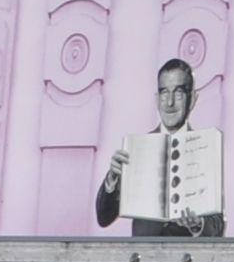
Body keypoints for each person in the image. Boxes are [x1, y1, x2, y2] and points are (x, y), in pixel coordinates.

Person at [96, 59, 224, 236]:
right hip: (144, 260)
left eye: (178, 94)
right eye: (164, 94)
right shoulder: (136, 150)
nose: (170, 102)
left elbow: (217, 228)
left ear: (193, 99)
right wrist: (112, 180)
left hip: (185, 261)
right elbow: (103, 218)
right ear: (157, 99)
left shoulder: (205, 150)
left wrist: (197, 224)